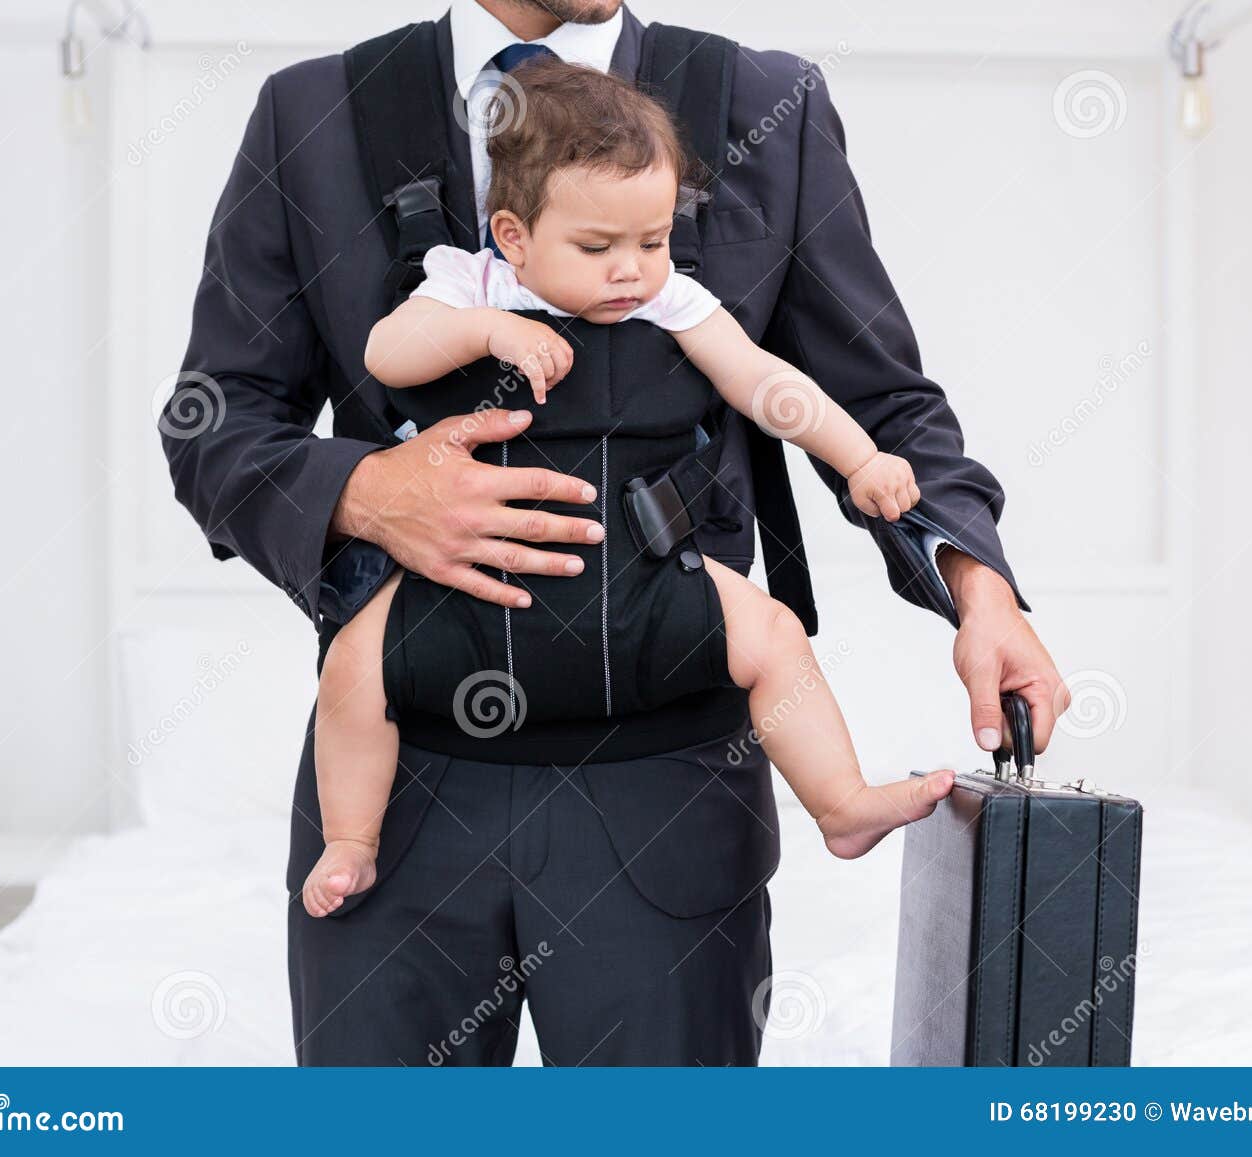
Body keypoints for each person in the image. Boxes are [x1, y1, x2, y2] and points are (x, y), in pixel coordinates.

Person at [166, 0, 1069, 1065]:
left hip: (672, 772)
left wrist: (978, 585)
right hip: (400, 778)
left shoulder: (764, 101)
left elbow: (879, 404)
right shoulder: (311, 111)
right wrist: (367, 490)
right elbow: (212, 421)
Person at [304, 58, 956, 918]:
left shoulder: (670, 300)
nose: (630, 271)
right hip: (460, 587)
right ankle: (351, 837)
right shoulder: (469, 284)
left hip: (641, 578)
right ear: (514, 237)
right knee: (352, 667)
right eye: (598, 247)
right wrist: (488, 331)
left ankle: (839, 802)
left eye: (652, 242)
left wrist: (859, 458)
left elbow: (765, 381)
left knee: (774, 635)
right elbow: (387, 354)